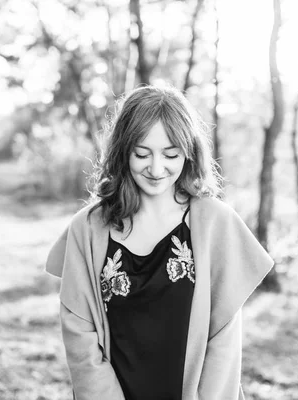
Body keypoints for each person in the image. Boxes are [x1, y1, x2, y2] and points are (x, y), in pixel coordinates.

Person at [45, 85, 274, 400]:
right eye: (142, 153)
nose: (155, 168)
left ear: (189, 151)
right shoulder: (88, 229)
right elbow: (79, 335)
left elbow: (224, 341)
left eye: (170, 154)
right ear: (123, 151)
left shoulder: (214, 223)